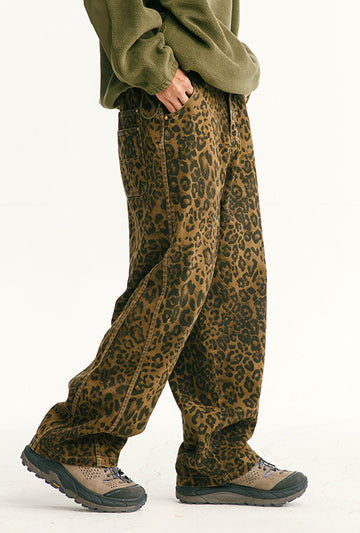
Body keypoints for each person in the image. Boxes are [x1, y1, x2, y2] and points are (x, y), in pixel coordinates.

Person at [20, 0, 308, 512]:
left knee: (234, 278)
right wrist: (149, 61)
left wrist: (227, 64)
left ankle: (218, 455)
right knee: (177, 276)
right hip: (171, 97)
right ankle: (78, 440)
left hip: (222, 93)